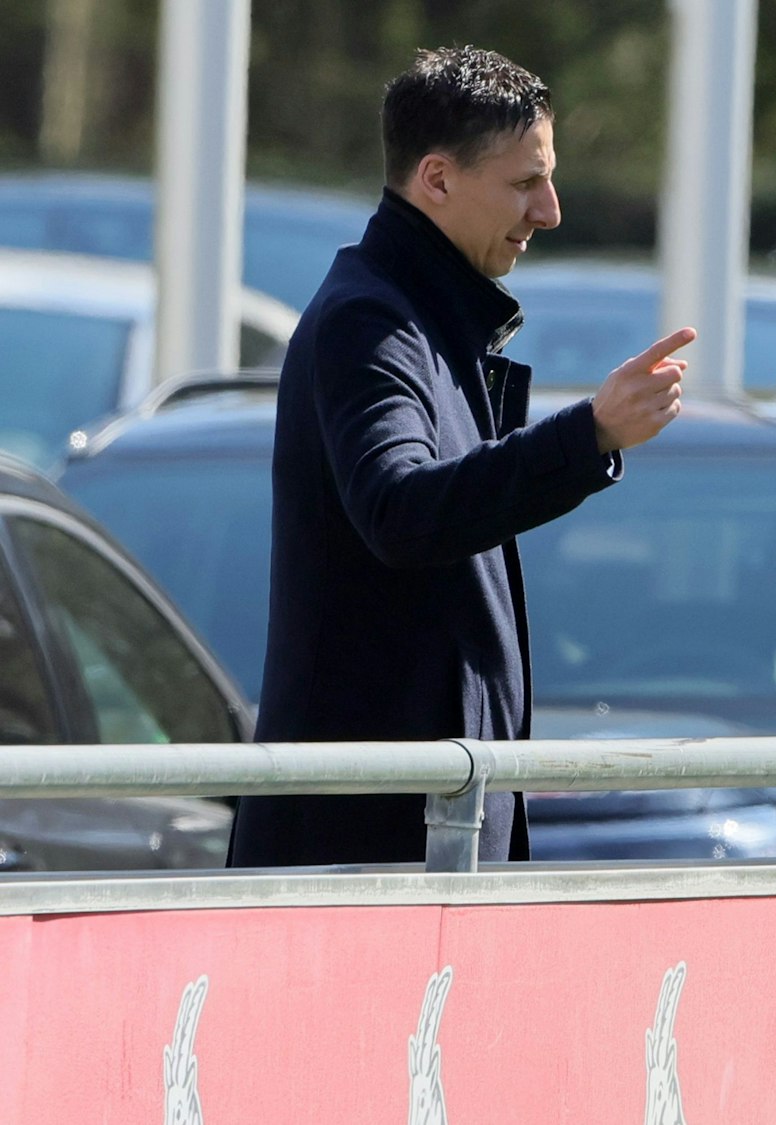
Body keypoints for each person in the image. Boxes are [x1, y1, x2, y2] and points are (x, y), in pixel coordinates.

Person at [229, 47, 691, 868]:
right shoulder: (370, 323)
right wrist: (587, 435)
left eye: (547, 180)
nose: (548, 211)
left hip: (418, 843)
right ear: (435, 180)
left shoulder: (418, 317)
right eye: (524, 184)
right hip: (371, 857)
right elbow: (402, 511)